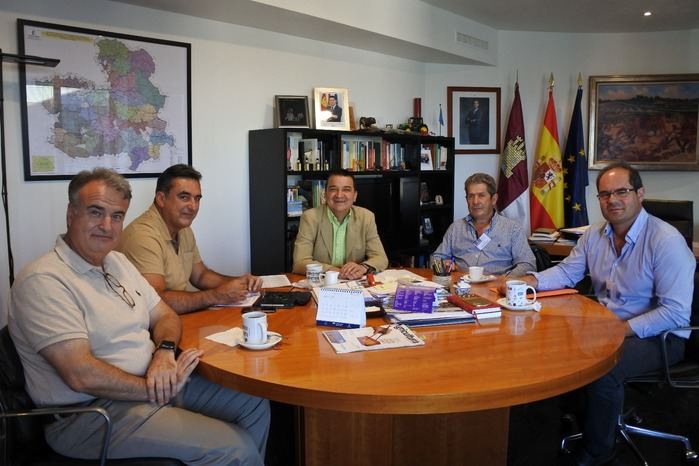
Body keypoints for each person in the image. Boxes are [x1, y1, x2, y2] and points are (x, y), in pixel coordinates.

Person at [8, 168, 270, 464]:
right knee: (234, 448)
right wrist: (152, 389)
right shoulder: (43, 279)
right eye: (96, 212)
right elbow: (80, 375)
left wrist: (164, 352)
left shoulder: (116, 262)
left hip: (153, 383)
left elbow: (165, 315)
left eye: (117, 216)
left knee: (253, 404)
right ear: (71, 214)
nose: (107, 226)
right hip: (93, 413)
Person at [506, 161, 694, 465]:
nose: (613, 200)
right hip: (607, 326)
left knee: (603, 367)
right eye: (605, 194)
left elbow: (674, 313)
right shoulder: (594, 235)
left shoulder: (665, 241)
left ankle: (599, 450)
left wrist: (618, 330)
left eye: (622, 192)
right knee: (552, 345)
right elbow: (567, 273)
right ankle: (586, 415)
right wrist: (529, 281)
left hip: (660, 336)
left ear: (640, 194)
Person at [119, 164, 262, 315]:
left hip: (177, 318)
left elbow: (201, 276)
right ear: (161, 199)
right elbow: (155, 301)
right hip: (152, 325)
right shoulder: (142, 236)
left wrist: (240, 283)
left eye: (197, 199)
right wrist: (216, 296)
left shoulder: (183, 228)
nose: (193, 207)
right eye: (184, 197)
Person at [432, 172, 535, 276]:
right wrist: (443, 264)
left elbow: (527, 264)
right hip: (461, 284)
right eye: (471, 196)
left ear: (493, 199)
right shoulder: (456, 228)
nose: (475, 202)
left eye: (481, 195)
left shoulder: (512, 229)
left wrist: (504, 280)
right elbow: (436, 258)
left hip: (498, 284)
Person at [292, 169, 388, 280]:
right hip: (322, 282)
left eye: (346, 189)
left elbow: (381, 258)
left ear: (355, 196)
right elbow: (300, 262)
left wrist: (362, 268)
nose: (339, 195)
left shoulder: (366, 217)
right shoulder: (310, 217)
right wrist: (333, 271)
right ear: (325, 194)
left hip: (353, 282)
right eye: (333, 189)